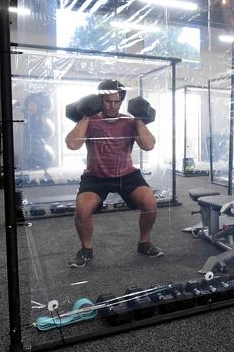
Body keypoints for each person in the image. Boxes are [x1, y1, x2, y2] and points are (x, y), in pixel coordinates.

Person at [65, 79, 163, 268]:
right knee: (82, 208)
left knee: (150, 201)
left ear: (121, 101)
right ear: (100, 100)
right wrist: (85, 116)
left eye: (116, 101)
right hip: (96, 176)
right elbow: (72, 144)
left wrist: (139, 120)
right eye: (108, 101)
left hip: (126, 175)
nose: (112, 105)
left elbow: (149, 145)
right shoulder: (90, 121)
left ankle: (144, 243)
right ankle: (86, 249)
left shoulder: (130, 121)